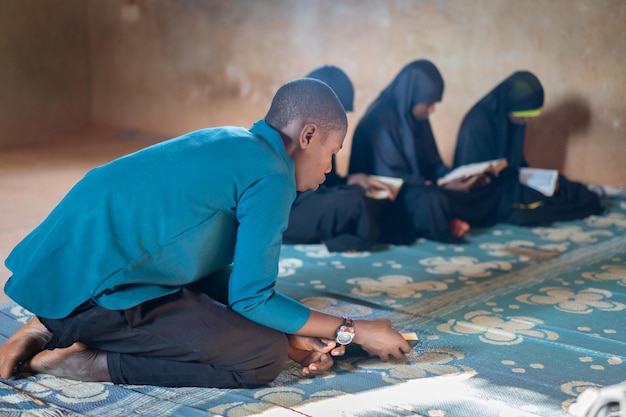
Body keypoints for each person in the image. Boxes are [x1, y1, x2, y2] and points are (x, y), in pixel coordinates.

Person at [0, 78, 410, 388]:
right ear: (307, 136)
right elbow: (252, 299)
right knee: (260, 356)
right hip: (93, 297)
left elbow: (228, 280)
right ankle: (82, 362)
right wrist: (354, 329)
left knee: (254, 305)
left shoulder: (233, 140)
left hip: (64, 273)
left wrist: (295, 333)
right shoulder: (272, 177)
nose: (329, 168)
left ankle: (46, 324)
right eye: (331, 152)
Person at [348, 59, 494, 245]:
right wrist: (438, 185)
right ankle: (447, 221)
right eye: (428, 103)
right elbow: (390, 177)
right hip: (392, 194)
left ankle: (447, 219)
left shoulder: (418, 117)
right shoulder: (380, 119)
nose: (431, 110)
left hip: (423, 186)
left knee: (482, 188)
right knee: (432, 200)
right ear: (411, 96)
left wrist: (455, 177)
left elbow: (434, 164)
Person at [454, 70, 603, 225]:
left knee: (564, 188)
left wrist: (541, 180)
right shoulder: (477, 124)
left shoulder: (513, 120)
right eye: (522, 116)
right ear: (509, 106)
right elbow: (472, 181)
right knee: (525, 211)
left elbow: (515, 163)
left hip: (511, 181)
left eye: (530, 117)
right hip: (488, 194)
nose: (525, 121)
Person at [283, 65, 395, 252]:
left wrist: (352, 180)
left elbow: (325, 181)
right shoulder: (296, 130)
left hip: (313, 203)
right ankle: (340, 240)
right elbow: (301, 192)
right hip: (288, 216)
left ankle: (338, 235)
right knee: (354, 202)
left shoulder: (323, 130)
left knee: (364, 197)